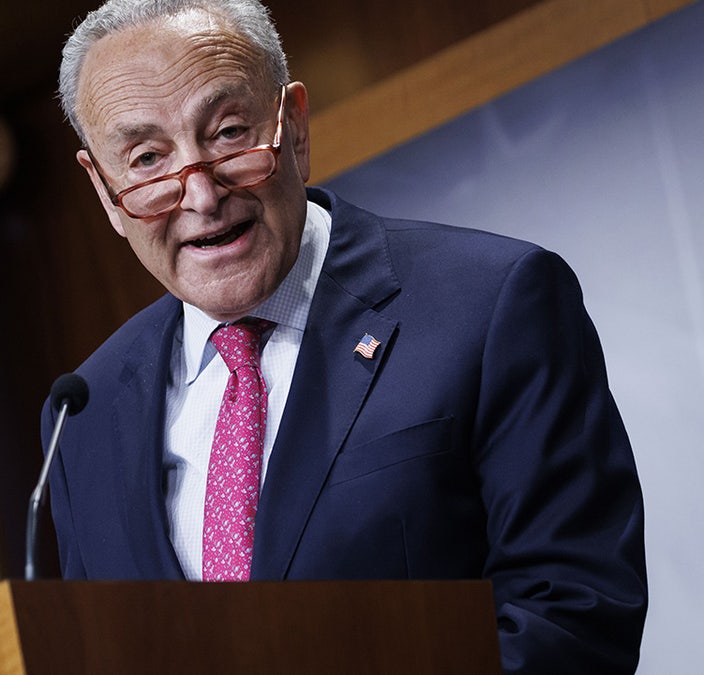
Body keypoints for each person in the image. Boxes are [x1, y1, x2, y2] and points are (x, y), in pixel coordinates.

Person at [40, 0, 647, 672]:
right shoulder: (82, 415)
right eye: (149, 157)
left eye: (228, 132)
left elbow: (573, 616)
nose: (201, 195)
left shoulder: (493, 302)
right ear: (104, 189)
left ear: (294, 127)